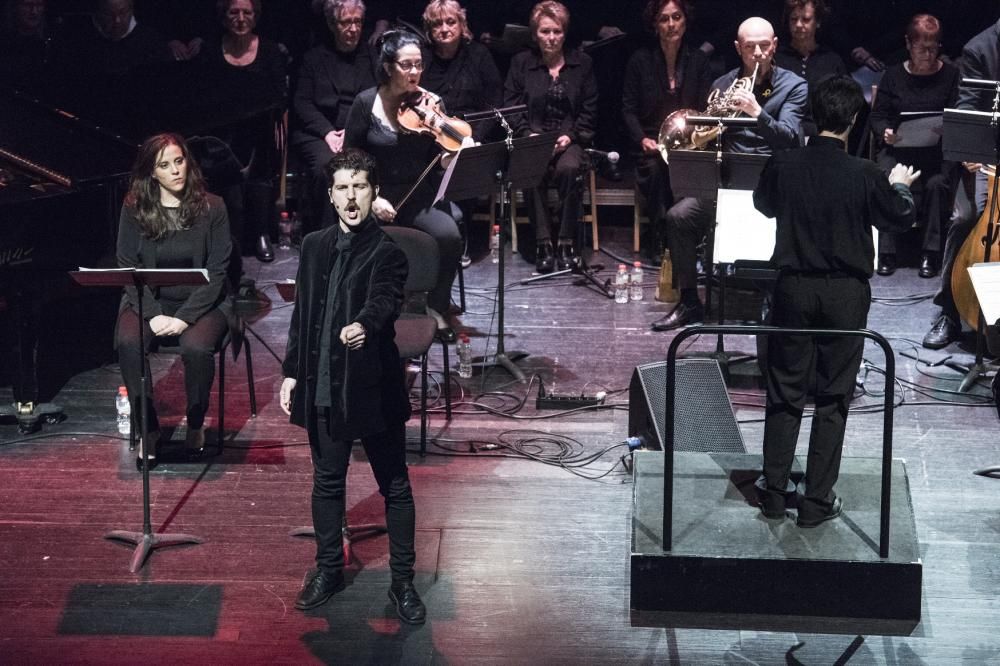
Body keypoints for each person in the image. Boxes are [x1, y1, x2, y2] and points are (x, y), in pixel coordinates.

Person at [752, 75, 919, 526]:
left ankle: (773, 494)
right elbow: (900, 218)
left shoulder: (783, 164)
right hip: (845, 294)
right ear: (853, 119)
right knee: (832, 398)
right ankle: (816, 502)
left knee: (785, 392)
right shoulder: (865, 173)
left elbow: (763, 205)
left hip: (792, 290)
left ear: (814, 117)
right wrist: (899, 183)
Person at [279, 148, 424, 624]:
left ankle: (402, 583)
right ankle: (328, 570)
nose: (351, 197)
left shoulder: (387, 252)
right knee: (327, 482)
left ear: (374, 192)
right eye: (342, 188)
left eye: (359, 186)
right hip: (322, 385)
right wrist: (291, 372)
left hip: (370, 387)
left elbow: (385, 300)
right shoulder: (315, 245)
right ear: (331, 195)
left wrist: (364, 323)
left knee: (394, 486)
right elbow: (303, 316)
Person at [652, 16, 807, 331]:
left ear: (775, 45)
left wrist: (756, 112)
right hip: (727, 184)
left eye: (765, 45)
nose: (759, 53)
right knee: (678, 217)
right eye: (751, 47)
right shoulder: (722, 85)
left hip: (773, 187)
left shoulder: (794, 86)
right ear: (739, 48)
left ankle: (777, 300)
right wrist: (698, 140)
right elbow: (709, 135)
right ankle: (690, 302)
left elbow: (790, 137)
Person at [115, 133, 233, 470]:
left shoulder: (214, 207)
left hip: (202, 302)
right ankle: (148, 429)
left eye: (179, 161)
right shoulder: (134, 207)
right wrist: (152, 315)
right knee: (127, 341)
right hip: (146, 299)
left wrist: (183, 318)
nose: (175, 171)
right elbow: (126, 265)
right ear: (152, 173)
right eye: (165, 165)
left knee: (196, 348)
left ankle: (196, 423)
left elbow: (218, 271)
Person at [344, 29, 464, 341]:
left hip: (418, 194)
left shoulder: (431, 104)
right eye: (406, 65)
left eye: (419, 65)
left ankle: (435, 306)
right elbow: (350, 162)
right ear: (388, 67)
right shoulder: (365, 103)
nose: (414, 73)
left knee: (450, 234)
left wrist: (454, 155)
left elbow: (440, 155)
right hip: (375, 194)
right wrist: (373, 198)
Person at [502, 1, 598, 273]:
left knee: (569, 168)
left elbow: (590, 110)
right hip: (533, 137)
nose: (551, 38)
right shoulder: (521, 63)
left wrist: (569, 136)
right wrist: (528, 134)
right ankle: (544, 242)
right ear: (535, 34)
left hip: (570, 138)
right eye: (545, 32)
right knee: (531, 170)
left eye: (557, 31)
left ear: (564, 33)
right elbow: (510, 106)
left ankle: (566, 242)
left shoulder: (583, 64)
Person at [923, 17, 1000, 350]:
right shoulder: (980, 48)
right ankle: (950, 311)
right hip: (989, 156)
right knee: (968, 217)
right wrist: (974, 152)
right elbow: (968, 108)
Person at [195, 0, 288, 264]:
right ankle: (228, 241)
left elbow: (279, 95)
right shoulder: (211, 51)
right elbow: (204, 96)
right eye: (233, 12)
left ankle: (261, 234)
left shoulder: (269, 51)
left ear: (255, 17)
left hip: (259, 130)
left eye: (247, 12)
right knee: (227, 184)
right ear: (224, 17)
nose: (240, 18)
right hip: (222, 134)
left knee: (261, 167)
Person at [869, 14, 959, 279]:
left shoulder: (951, 75)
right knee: (885, 176)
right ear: (909, 44)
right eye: (922, 48)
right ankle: (886, 251)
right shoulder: (894, 75)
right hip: (899, 148)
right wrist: (885, 132)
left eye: (934, 48)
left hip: (934, 151)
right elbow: (878, 116)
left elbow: (958, 113)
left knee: (937, 183)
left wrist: (947, 127)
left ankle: (930, 252)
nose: (929, 55)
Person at [621, 0, 712, 258]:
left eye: (676, 17)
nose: (671, 24)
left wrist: (695, 141)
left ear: (685, 20)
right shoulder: (639, 60)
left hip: (689, 145)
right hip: (651, 145)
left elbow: (705, 109)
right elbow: (628, 109)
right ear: (655, 25)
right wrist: (641, 139)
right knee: (656, 170)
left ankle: (687, 235)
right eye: (664, 19)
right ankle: (661, 236)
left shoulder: (698, 60)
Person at [291, 0, 377, 234]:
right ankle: (328, 235)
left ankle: (366, 231)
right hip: (319, 132)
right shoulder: (313, 58)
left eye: (357, 21)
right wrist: (328, 132)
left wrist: (353, 131)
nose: (353, 28)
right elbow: (302, 102)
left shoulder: (372, 57)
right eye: (346, 22)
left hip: (359, 131)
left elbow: (380, 98)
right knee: (326, 167)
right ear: (331, 24)